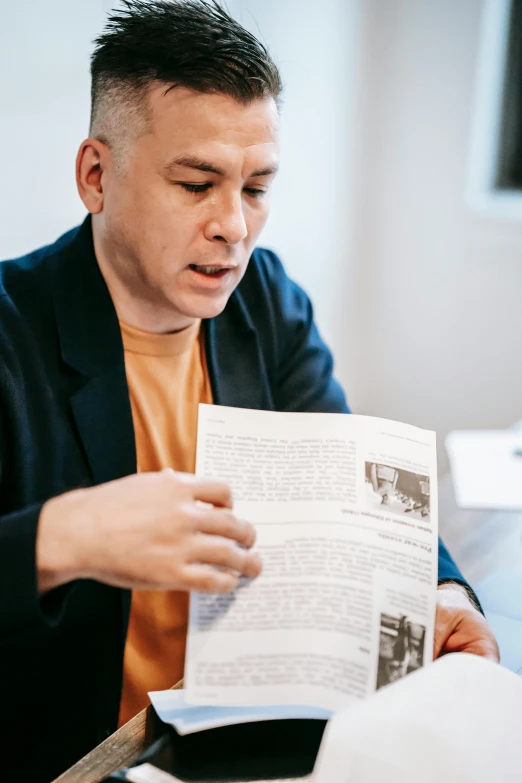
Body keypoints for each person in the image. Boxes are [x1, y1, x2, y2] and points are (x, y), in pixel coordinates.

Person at [0, 1, 498, 780]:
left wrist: (441, 586)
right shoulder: (9, 332)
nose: (234, 226)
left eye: (257, 187)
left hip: (250, 732)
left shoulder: (265, 297)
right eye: (197, 183)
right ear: (96, 175)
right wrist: (65, 536)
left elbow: (352, 483)